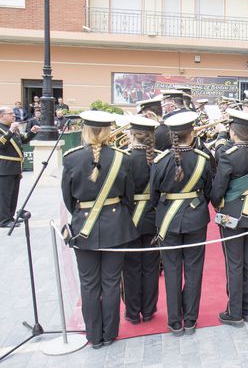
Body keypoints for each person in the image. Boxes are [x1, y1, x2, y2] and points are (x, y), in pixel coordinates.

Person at [61, 110, 137, 348]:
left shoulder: (71, 158)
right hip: (116, 226)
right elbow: (129, 196)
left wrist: (84, 214)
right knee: (112, 282)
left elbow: (67, 198)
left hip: (84, 226)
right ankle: (109, 332)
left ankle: (94, 336)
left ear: (84, 131)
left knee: (89, 283)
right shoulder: (122, 158)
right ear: (107, 132)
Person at [150, 111, 212, 336]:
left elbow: (153, 196)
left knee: (172, 271)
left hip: (168, 220)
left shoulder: (159, 161)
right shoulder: (203, 159)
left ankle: (175, 321)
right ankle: (191, 319)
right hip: (196, 220)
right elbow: (209, 191)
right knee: (194, 270)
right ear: (192, 133)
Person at [211, 109, 248, 326]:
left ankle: (234, 313)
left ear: (234, 132)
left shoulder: (228, 154)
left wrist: (216, 203)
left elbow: (218, 189)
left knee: (234, 263)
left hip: (231, 214)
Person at [122, 116, 161, 325]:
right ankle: (148, 310)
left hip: (129, 218)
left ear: (131, 135)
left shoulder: (124, 157)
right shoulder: (160, 157)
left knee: (130, 268)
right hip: (153, 217)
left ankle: (132, 311)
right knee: (150, 267)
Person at [0, 106, 40, 227]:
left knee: (13, 195)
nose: (13, 115)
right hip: (4, 167)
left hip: (15, 167)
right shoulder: (6, 129)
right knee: (4, 195)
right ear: (2, 116)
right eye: (10, 113)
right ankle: (3, 220)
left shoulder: (13, 128)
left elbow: (22, 140)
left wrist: (32, 132)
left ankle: (10, 217)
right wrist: (11, 131)